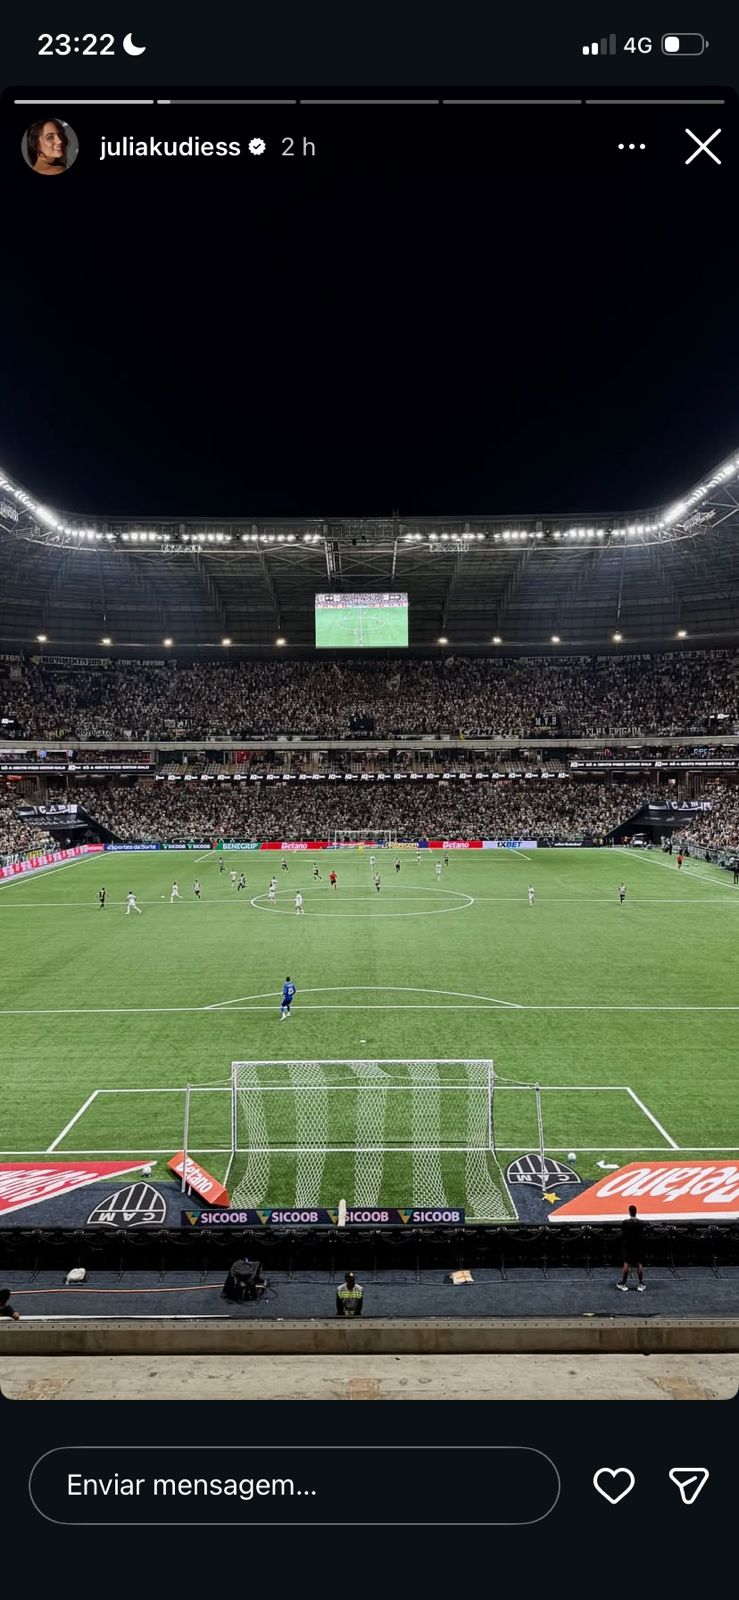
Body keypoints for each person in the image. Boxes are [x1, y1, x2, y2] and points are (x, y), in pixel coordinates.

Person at [617, 1204, 646, 1292]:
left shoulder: (625, 1222)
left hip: (628, 1245)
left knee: (626, 1263)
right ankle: (640, 1284)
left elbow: (623, 1233)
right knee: (639, 1263)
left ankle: (623, 1283)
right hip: (638, 1245)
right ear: (636, 1212)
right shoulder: (641, 1223)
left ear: (629, 1212)